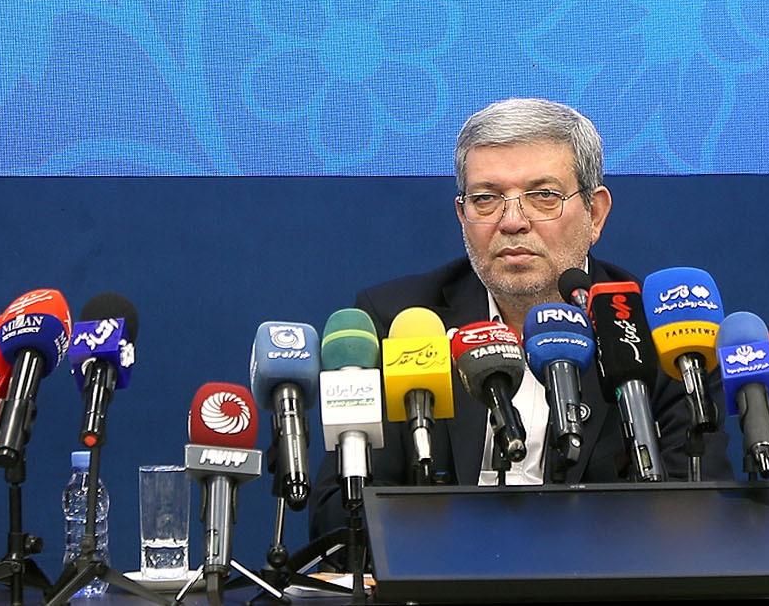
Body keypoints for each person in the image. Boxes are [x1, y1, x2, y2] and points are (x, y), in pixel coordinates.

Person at [309, 98, 731, 539]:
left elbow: (696, 513)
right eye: (486, 199)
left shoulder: (661, 331)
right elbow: (341, 515)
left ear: (595, 213)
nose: (512, 221)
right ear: (462, 215)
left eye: (543, 196)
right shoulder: (399, 321)